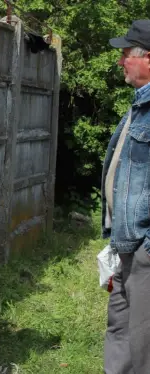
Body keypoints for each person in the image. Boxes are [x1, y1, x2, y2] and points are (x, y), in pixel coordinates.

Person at [102, 19, 150, 374]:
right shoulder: (138, 106)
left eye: (126, 55)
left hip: (144, 248)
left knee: (143, 340)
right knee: (119, 329)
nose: (121, 62)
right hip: (125, 244)